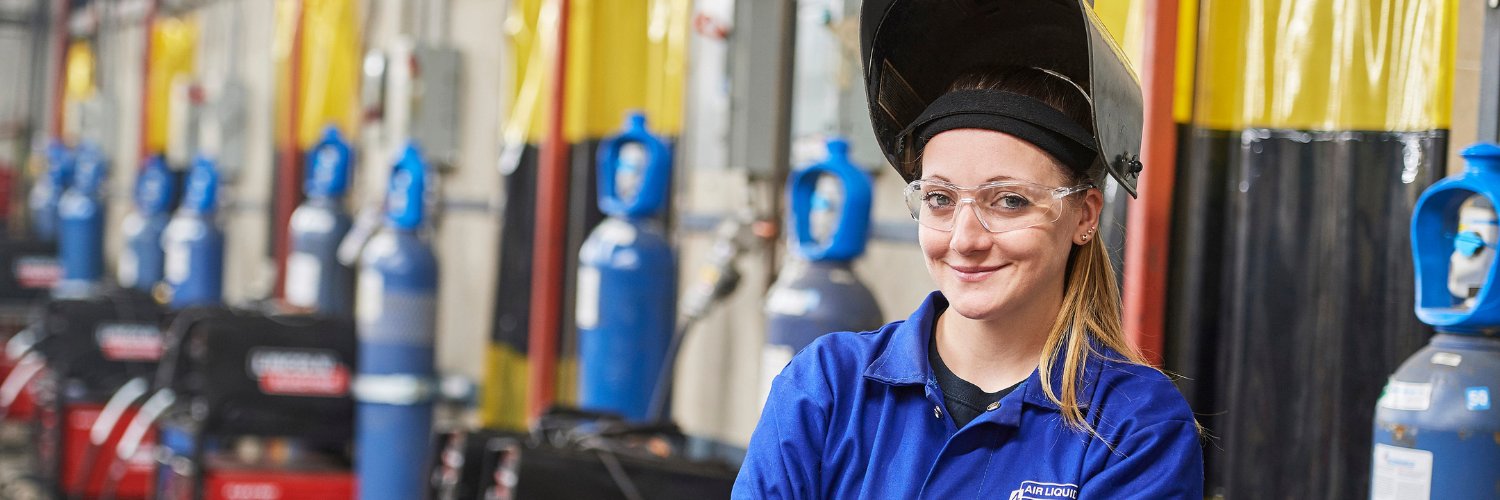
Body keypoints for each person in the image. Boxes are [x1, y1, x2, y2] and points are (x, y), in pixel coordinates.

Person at [733, 1, 1203, 498]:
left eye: (1010, 201)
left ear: (1085, 216)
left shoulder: (1134, 426)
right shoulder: (827, 389)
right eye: (939, 199)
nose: (965, 240)